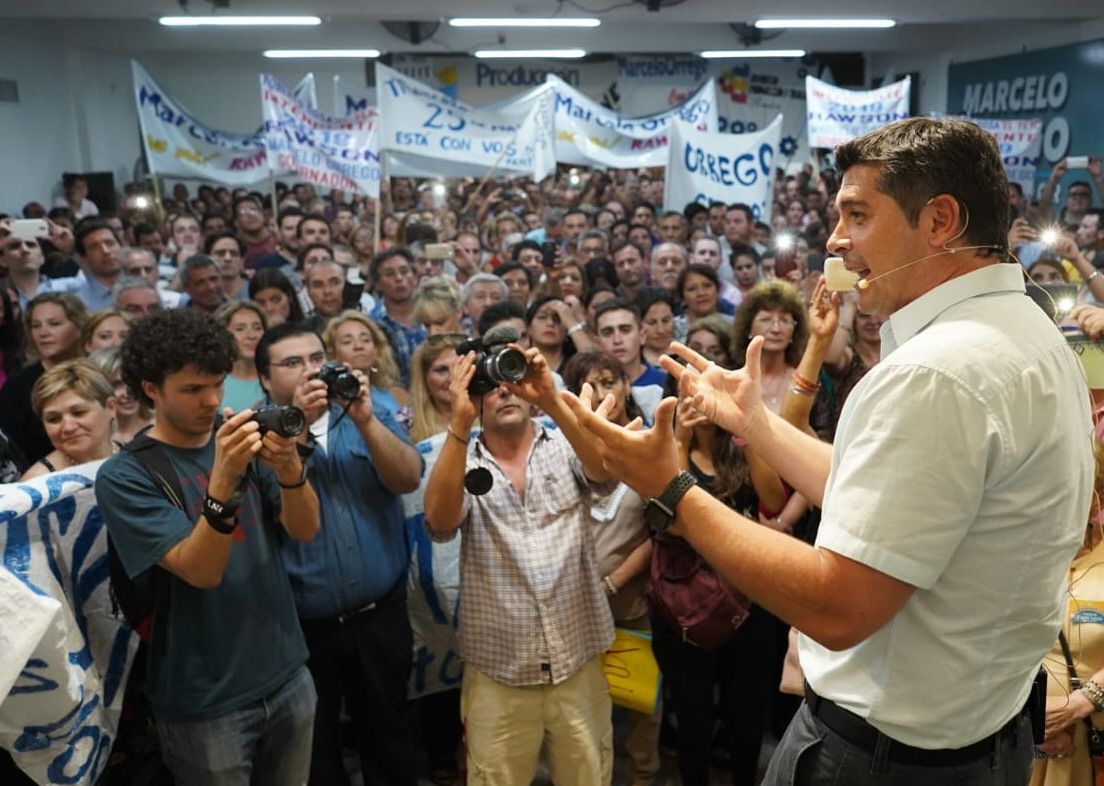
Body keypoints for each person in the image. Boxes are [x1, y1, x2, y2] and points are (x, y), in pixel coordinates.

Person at [562, 116, 1094, 786]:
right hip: (979, 736)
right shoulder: (1026, 329)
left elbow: (838, 607)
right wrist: (756, 423)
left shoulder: (935, 372)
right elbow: (880, 495)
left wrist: (671, 489)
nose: (835, 239)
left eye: (857, 215)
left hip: (884, 762)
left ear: (940, 221)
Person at [94, 308, 320, 786]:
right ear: (151, 389)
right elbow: (201, 571)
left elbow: (304, 530)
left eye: (218, 384)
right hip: (205, 699)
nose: (212, 400)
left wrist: (289, 469)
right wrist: (223, 481)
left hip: (286, 669)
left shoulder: (238, 435)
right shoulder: (125, 475)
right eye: (193, 389)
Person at [422, 344, 616, 786]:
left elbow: (605, 471)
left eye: (513, 379)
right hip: (499, 670)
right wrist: (459, 423)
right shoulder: (461, 457)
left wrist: (550, 398)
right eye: (489, 385)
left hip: (577, 660)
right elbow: (440, 521)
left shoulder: (564, 443)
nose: (504, 391)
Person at [255, 322, 422, 785]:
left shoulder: (368, 409)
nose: (310, 370)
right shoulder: (254, 432)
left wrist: (365, 418)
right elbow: (278, 507)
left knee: (390, 742)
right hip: (301, 626)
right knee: (315, 753)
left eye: (316, 358)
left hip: (380, 614)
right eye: (293, 363)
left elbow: (408, 478)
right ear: (265, 378)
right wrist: (299, 424)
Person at [561, 350, 660, 786]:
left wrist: (612, 583)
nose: (603, 394)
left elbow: (662, 533)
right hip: (572, 610)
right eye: (590, 385)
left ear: (626, 385)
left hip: (632, 607)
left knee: (640, 713)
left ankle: (642, 778)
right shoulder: (559, 450)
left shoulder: (650, 445)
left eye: (610, 382)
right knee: (577, 715)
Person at [1031, 443, 1104, 785]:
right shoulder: (1021, 559)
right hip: (1025, 746)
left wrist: (1080, 703)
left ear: (1094, 498)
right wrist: (1030, 720)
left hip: (1093, 746)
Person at [0, 292, 88, 462]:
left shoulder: (100, 372)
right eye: (36, 326)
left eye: (54, 324)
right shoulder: (18, 385)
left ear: (79, 327)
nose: (43, 333)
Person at [20, 358, 118, 479]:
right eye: (53, 419)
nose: (68, 427)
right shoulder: (36, 481)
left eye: (79, 412)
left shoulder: (135, 454)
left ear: (111, 408)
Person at [321, 310, 411, 426]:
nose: (359, 346)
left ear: (376, 350)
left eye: (366, 340)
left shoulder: (398, 394)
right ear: (332, 354)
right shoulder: (327, 404)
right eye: (347, 342)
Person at [88, 346, 153, 444]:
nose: (128, 393)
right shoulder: (89, 437)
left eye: (132, 382)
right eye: (116, 385)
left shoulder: (162, 429)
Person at [409, 333, 465, 444]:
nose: (452, 378)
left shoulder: (492, 416)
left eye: (460, 367)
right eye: (441, 370)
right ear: (424, 378)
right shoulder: (405, 426)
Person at [214, 301, 267, 412]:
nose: (251, 335)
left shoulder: (276, 377)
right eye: (240, 329)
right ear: (223, 334)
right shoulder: (214, 381)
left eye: (257, 328)